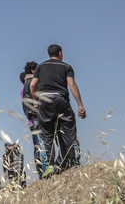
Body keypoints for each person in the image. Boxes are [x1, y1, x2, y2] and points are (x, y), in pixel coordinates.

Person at [30, 44, 86, 177]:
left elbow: (33, 85)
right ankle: (70, 164)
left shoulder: (40, 67)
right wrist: (80, 105)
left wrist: (36, 100)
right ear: (60, 53)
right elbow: (72, 85)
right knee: (68, 132)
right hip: (61, 100)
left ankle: (50, 166)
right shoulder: (66, 67)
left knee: (47, 134)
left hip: (45, 101)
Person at [20, 61, 45, 179]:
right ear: (33, 71)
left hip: (32, 117)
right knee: (41, 143)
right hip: (36, 116)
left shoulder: (26, 84)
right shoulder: (32, 83)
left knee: (37, 144)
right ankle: (43, 170)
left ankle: (41, 171)